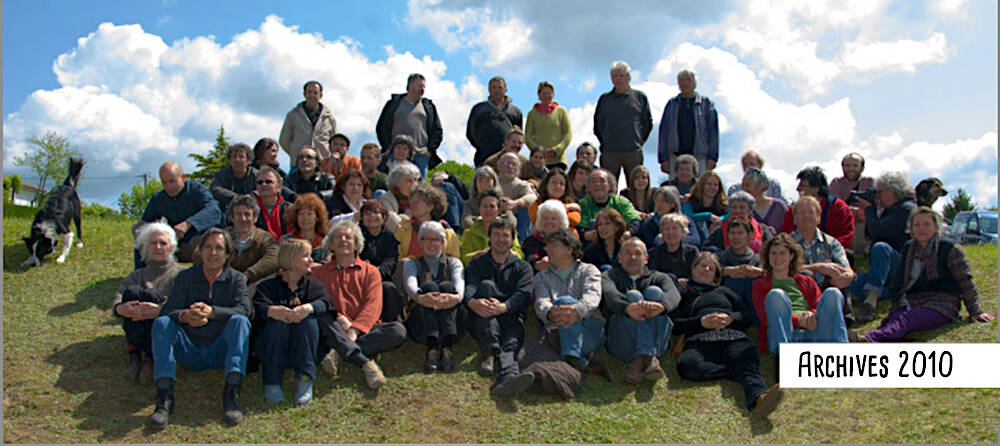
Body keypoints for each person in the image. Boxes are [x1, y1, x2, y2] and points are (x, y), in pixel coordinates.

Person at [147, 228, 251, 428]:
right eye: (208, 247)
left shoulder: (236, 278)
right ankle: (164, 397)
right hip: (190, 350)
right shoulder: (185, 277)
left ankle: (232, 394)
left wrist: (212, 312)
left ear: (227, 254)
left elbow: (245, 309)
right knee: (162, 323)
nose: (213, 253)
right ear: (200, 251)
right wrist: (186, 316)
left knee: (240, 321)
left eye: (219, 248)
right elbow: (168, 309)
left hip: (220, 351)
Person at [855, 207, 994, 342]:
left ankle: (870, 339)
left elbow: (965, 281)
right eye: (917, 225)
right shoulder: (908, 248)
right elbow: (900, 283)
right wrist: (896, 305)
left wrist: (976, 311)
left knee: (908, 319)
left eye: (926, 224)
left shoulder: (949, 248)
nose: (921, 228)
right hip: (912, 300)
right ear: (911, 228)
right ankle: (869, 339)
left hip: (942, 303)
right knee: (894, 318)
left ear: (936, 227)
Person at [673, 252, 782, 417]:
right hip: (700, 340)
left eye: (711, 268)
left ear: (716, 277)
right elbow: (675, 325)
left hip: (732, 336)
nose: (706, 269)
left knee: (747, 359)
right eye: (702, 265)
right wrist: (701, 322)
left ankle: (760, 398)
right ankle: (734, 371)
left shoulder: (725, 292)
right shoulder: (683, 295)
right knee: (687, 366)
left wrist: (731, 318)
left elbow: (747, 315)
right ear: (693, 269)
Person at [312, 220, 407, 389]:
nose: (343, 240)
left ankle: (340, 351)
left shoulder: (371, 272)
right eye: (338, 237)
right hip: (333, 327)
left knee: (397, 331)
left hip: (365, 328)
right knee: (320, 321)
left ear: (357, 244)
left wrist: (355, 330)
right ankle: (361, 359)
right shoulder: (319, 273)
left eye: (348, 237)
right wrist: (339, 318)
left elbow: (373, 305)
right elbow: (321, 301)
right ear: (331, 245)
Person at [252, 239, 332, 405]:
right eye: (305, 256)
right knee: (276, 323)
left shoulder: (313, 285)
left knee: (308, 320)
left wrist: (308, 308)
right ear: (291, 258)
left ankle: (305, 379)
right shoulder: (267, 287)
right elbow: (258, 307)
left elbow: (325, 303)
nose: (311, 260)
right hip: (274, 348)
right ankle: (272, 382)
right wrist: (272, 311)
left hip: (304, 349)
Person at [465, 218, 537, 397]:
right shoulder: (477, 264)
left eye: (505, 235)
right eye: (496, 235)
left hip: (510, 315)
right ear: (489, 237)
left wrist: (504, 306)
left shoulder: (523, 267)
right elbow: (469, 286)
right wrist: (472, 302)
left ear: (512, 239)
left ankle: (508, 378)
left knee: (510, 342)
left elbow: (524, 294)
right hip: (482, 317)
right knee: (486, 286)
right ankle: (489, 352)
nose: (501, 239)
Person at [533, 229, 611, 379]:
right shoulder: (542, 276)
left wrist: (575, 311)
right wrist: (550, 312)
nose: (547, 249)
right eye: (547, 246)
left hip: (588, 330)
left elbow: (592, 297)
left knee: (565, 301)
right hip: (556, 330)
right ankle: (578, 362)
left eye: (553, 245)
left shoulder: (588, 270)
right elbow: (541, 301)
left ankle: (571, 359)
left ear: (569, 249)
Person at [751, 234, 848, 354]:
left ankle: (841, 349)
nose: (777, 258)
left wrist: (811, 315)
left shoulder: (806, 281)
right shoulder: (760, 285)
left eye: (782, 253)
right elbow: (765, 317)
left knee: (833, 293)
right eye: (773, 253)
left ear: (791, 256)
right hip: (785, 335)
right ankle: (783, 354)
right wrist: (799, 321)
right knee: (776, 295)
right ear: (768, 256)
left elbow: (818, 306)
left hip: (812, 331)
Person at [113, 222, 184, 384]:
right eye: (153, 243)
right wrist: (120, 308)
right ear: (146, 247)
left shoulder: (181, 274)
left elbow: (184, 303)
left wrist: (160, 309)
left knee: (151, 294)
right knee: (133, 292)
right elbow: (119, 295)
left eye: (163, 243)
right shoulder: (137, 275)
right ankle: (134, 354)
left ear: (172, 247)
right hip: (138, 325)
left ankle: (151, 357)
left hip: (167, 328)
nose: (158, 247)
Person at [601, 237, 679, 384]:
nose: (632, 257)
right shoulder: (609, 276)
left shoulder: (660, 277)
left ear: (646, 258)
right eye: (627, 253)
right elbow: (610, 295)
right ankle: (649, 358)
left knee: (654, 292)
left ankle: (639, 361)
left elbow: (674, 295)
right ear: (620, 258)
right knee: (633, 296)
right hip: (623, 343)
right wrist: (627, 308)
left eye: (637, 253)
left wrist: (662, 306)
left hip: (657, 343)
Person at [849, 172, 918, 324]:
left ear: (892, 191)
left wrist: (869, 210)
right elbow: (869, 234)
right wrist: (873, 210)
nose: (877, 195)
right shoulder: (890, 210)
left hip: (903, 268)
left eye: (880, 191)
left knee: (881, 248)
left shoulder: (906, 209)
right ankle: (889, 291)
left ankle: (871, 299)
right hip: (884, 272)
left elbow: (879, 232)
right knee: (848, 284)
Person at [403, 221, 467, 373]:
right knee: (429, 287)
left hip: (453, 326)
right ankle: (432, 348)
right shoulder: (412, 264)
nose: (432, 244)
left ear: (443, 242)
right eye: (427, 239)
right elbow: (410, 285)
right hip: (421, 326)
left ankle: (447, 348)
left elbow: (459, 286)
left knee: (447, 286)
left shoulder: (454, 263)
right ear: (420, 242)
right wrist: (421, 298)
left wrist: (454, 298)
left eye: (436, 239)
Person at [137, 161, 222, 266]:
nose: (169, 187)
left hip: (195, 241)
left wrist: (189, 223)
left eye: (172, 181)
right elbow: (144, 224)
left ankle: (201, 276)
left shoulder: (199, 191)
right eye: (164, 182)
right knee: (141, 238)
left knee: (206, 247)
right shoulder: (158, 198)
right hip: (169, 244)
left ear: (183, 178)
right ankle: (143, 273)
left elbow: (214, 211)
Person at [789, 196, 856, 328]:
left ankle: (844, 323)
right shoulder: (786, 243)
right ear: (795, 219)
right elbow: (781, 269)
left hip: (826, 288)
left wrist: (848, 275)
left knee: (839, 275)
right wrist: (817, 267)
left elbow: (845, 266)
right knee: (805, 274)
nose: (806, 216)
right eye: (802, 213)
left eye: (810, 212)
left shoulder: (831, 242)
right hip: (800, 292)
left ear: (819, 217)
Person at [593, 61, 653, 185]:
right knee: (607, 185)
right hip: (610, 151)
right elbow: (598, 125)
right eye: (615, 76)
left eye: (621, 75)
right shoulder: (605, 99)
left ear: (629, 78)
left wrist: (639, 141)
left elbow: (647, 123)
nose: (618, 79)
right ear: (611, 79)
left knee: (636, 186)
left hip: (633, 151)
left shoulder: (640, 97)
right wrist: (606, 141)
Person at [376, 73, 444, 174]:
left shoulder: (428, 107)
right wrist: (387, 147)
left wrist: (430, 150)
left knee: (419, 184)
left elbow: (437, 130)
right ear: (410, 85)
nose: (422, 89)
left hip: (420, 155)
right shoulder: (394, 103)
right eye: (419, 86)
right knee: (395, 181)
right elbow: (381, 126)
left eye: (424, 87)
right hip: (396, 154)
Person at [658, 69, 719, 179]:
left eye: (688, 80)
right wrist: (663, 158)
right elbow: (663, 132)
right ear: (678, 84)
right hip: (675, 157)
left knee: (700, 188)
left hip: (700, 157)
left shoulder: (706, 104)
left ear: (695, 83)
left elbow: (713, 132)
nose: (685, 83)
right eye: (682, 80)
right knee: (674, 188)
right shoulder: (672, 104)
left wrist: (712, 157)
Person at [780, 166, 854, 249]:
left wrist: (827, 250)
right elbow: (786, 235)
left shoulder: (839, 208)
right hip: (798, 252)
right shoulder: (793, 210)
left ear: (816, 189)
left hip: (832, 252)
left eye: (802, 186)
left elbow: (846, 237)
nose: (798, 189)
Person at [356, 199, 406, 322]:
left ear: (383, 217)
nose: (371, 216)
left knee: (388, 288)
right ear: (361, 218)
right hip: (359, 278)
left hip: (381, 278)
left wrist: (375, 272)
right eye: (367, 213)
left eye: (376, 212)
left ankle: (395, 324)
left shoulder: (389, 238)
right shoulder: (356, 237)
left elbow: (390, 261)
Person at [715, 219, 765, 327]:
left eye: (740, 233)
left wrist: (760, 272)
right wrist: (725, 271)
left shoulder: (758, 260)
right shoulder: (719, 258)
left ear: (750, 236)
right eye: (732, 233)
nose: (736, 237)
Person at [467, 76, 523, 166]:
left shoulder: (515, 111)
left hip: (508, 158)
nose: (497, 90)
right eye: (494, 87)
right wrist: (482, 146)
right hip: (483, 156)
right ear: (489, 90)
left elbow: (519, 135)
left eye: (500, 87)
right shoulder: (479, 109)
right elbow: (471, 133)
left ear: (505, 90)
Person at [225, 195, 279, 288]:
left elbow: (274, 258)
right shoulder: (222, 236)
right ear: (232, 217)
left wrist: (248, 275)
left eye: (247, 214)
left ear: (255, 218)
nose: (243, 219)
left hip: (253, 285)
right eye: (238, 214)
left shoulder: (265, 238)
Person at [395, 182, 460, 260]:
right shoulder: (402, 228)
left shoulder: (447, 233)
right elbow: (397, 257)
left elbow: (455, 259)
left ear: (430, 207)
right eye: (411, 199)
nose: (411, 203)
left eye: (416, 200)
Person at [279, 80, 337, 167]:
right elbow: (284, 140)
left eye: (315, 93)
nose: (312, 95)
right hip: (298, 165)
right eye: (309, 92)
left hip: (322, 164)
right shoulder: (293, 115)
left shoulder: (329, 117)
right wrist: (295, 152)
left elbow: (334, 141)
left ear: (320, 95)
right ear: (304, 94)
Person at [460, 190, 524, 265]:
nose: (488, 210)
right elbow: (464, 257)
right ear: (479, 209)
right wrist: (480, 254)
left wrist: (507, 253)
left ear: (499, 210)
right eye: (485, 206)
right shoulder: (469, 233)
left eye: (492, 206)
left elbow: (520, 254)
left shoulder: (508, 231)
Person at [829, 152, 875, 254]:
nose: (851, 169)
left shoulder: (870, 183)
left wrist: (867, 209)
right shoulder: (836, 183)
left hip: (865, 225)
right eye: (847, 165)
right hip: (843, 225)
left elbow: (878, 206)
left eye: (855, 166)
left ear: (862, 168)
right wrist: (855, 211)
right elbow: (834, 208)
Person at [579, 169, 641, 244]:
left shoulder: (621, 202)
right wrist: (585, 235)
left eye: (602, 181)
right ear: (588, 187)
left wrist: (628, 233)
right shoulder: (583, 204)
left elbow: (634, 220)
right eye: (593, 181)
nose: (597, 184)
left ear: (610, 186)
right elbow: (580, 226)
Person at [702, 191, 772, 254]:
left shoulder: (762, 229)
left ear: (750, 210)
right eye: (734, 207)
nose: (737, 211)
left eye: (742, 207)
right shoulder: (720, 231)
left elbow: (771, 248)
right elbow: (706, 248)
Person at [524, 81, 573, 168]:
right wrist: (538, 151)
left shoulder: (561, 111)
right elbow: (528, 136)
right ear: (539, 96)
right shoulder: (532, 114)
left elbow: (568, 133)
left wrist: (557, 149)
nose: (547, 96)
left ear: (553, 95)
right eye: (544, 93)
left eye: (549, 93)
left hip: (558, 159)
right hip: (539, 160)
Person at [636, 186, 702, 248]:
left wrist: (675, 239)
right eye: (657, 201)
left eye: (663, 201)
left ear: (672, 203)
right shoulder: (649, 222)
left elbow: (695, 240)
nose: (659, 204)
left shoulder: (686, 220)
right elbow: (649, 243)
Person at [648, 213, 701, 286]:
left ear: (683, 232)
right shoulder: (654, 253)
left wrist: (688, 281)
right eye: (667, 229)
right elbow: (653, 277)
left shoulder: (692, 251)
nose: (670, 232)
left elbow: (697, 275)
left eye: (674, 228)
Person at [496, 152, 538, 241]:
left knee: (525, 210)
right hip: (494, 216)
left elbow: (533, 197)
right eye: (506, 163)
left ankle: (521, 243)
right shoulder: (492, 183)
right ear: (498, 166)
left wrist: (516, 203)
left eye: (514, 164)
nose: (510, 166)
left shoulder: (522, 184)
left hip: (517, 222)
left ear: (518, 169)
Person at [281, 193, 330, 265]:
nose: (305, 218)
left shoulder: (327, 242)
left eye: (309, 214)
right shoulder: (286, 241)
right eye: (301, 214)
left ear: (317, 217)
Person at [523, 199, 570, 272]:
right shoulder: (531, 240)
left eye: (553, 218)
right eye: (545, 218)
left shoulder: (568, 240)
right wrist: (538, 264)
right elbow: (530, 258)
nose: (549, 222)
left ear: (561, 221)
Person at [210, 143, 258, 211]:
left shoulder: (257, 175)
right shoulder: (221, 175)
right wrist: (235, 197)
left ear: (248, 161)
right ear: (230, 160)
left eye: (241, 157)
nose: (237, 160)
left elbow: (264, 188)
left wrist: (251, 196)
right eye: (234, 156)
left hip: (253, 209)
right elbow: (215, 189)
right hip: (227, 210)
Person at [682, 171, 727, 244]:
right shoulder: (691, 202)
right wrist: (708, 216)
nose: (712, 187)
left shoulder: (723, 204)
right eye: (709, 184)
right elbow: (687, 216)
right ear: (702, 185)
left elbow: (731, 214)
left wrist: (719, 220)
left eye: (715, 185)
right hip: (698, 239)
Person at [741, 167, 787, 234]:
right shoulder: (743, 209)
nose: (744, 189)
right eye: (743, 185)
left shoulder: (778, 206)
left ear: (760, 185)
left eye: (747, 185)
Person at [254, 166, 292, 240]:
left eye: (268, 182)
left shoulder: (290, 209)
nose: (263, 184)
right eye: (260, 182)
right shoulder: (250, 209)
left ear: (279, 187)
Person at [462, 166, 503, 230]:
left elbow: (511, 221)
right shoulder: (469, 204)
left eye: (488, 180)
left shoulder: (502, 202)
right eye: (480, 181)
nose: (484, 184)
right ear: (475, 184)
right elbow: (466, 221)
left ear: (494, 182)